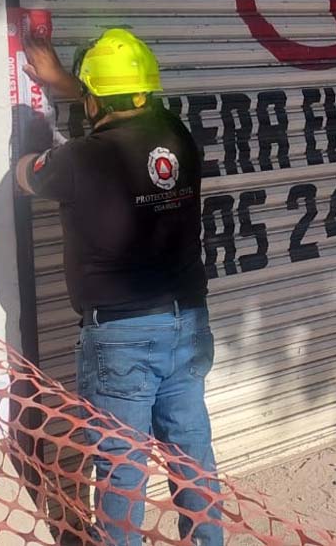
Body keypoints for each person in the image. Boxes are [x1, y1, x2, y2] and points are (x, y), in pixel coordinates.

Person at [15, 28, 222, 546]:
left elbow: (27, 176)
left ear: (91, 99)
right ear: (145, 91)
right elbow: (121, 115)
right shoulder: (177, 135)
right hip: (187, 325)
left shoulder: (81, 158)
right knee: (190, 455)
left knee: (121, 470)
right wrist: (68, 82)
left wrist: (33, 129)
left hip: (123, 337)